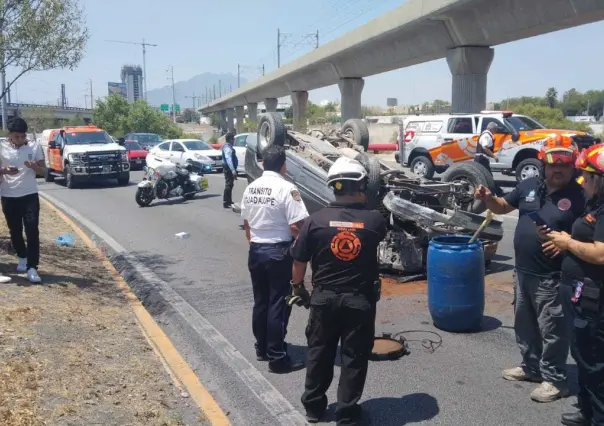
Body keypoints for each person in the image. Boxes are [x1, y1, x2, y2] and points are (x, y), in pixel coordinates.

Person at [474, 134, 585, 403]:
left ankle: (556, 380)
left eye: (564, 165)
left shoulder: (581, 195)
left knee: (553, 330)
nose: (558, 169)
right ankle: (532, 368)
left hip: (554, 276)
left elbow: (590, 234)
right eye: (553, 164)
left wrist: (568, 244)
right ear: (543, 164)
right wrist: (488, 198)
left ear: (573, 167)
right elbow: (502, 207)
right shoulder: (529, 185)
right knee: (524, 325)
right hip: (523, 271)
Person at [290, 156, 387, 425]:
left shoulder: (314, 221)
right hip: (359, 300)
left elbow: (299, 260)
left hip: (323, 299)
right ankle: (346, 412)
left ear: (333, 186)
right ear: (361, 186)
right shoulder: (375, 220)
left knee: (319, 352)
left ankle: (313, 408)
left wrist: (298, 287)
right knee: (354, 357)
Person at [545, 142, 604, 425]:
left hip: (595, 296)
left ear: (598, 179)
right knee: (583, 355)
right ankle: (587, 409)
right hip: (580, 291)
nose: (580, 180)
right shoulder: (594, 203)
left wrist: (567, 242)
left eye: (585, 175)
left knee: (594, 360)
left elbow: (601, 253)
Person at [240, 145, 309, 373]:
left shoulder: (251, 188)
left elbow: (247, 224)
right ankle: (278, 357)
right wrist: (304, 251)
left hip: (257, 250)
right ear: (284, 165)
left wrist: (256, 245)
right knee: (279, 303)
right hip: (279, 251)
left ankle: (262, 348)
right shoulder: (287, 188)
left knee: (261, 301)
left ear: (262, 164)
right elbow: (297, 226)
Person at [0, 117, 45, 283]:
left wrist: (34, 166)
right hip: (8, 195)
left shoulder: (34, 146)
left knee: (32, 230)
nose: (20, 140)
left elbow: (43, 172)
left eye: (23, 136)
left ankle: (32, 267)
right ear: (10, 135)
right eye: (16, 136)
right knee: (15, 231)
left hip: (30, 195)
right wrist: (4, 170)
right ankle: (22, 257)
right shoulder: (1, 147)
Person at [221, 131, 238, 208]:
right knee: (228, 184)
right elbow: (228, 159)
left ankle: (229, 201)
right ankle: (225, 201)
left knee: (230, 184)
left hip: (229, 168)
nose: (234, 141)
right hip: (228, 168)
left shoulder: (228, 146)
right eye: (233, 139)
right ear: (230, 139)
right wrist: (233, 170)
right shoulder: (227, 147)